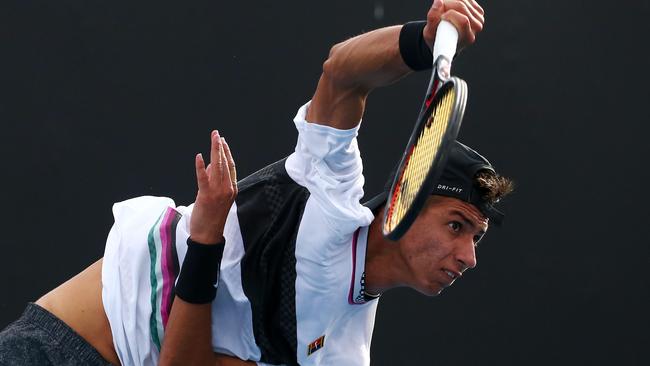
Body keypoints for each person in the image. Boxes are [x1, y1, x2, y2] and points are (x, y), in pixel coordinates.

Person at [0, 0, 511, 365]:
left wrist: (205, 238)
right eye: (457, 225)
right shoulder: (328, 192)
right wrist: (421, 39)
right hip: (58, 345)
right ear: (405, 196)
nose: (469, 257)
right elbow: (341, 74)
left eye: (475, 237)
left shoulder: (342, 355)